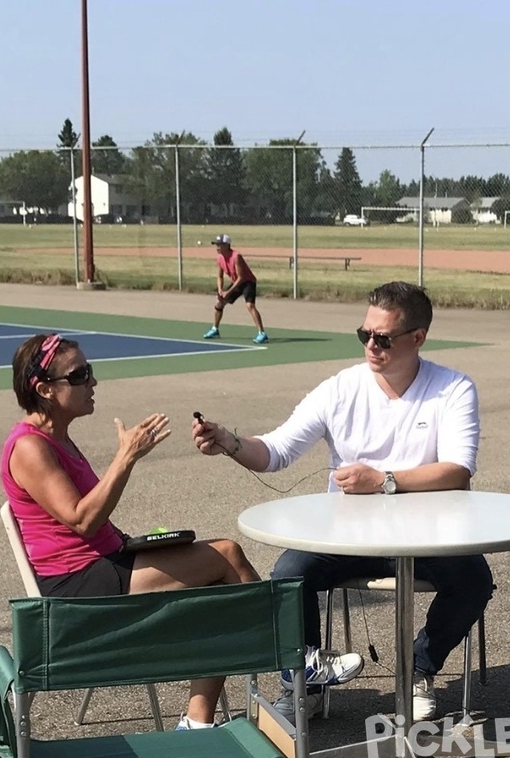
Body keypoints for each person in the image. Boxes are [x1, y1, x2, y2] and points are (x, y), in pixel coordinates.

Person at [192, 281, 491, 723]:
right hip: (346, 536)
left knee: (473, 579)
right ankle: (305, 683)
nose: (371, 345)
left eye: (383, 338)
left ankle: (418, 669)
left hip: (426, 535)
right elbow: (276, 451)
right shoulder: (340, 388)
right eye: (364, 334)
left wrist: (384, 479)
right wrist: (229, 441)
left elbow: (457, 470)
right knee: (290, 573)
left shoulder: (453, 389)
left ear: (418, 338)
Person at [1, 332, 269, 730]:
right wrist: (126, 457)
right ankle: (292, 662)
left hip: (105, 562)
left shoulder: (57, 439)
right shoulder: (29, 448)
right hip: (77, 587)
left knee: (219, 588)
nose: (93, 383)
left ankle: (198, 724)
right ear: (44, 389)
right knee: (227, 555)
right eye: (80, 375)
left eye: (89, 372)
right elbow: (81, 519)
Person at [203, 233, 267, 344]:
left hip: (247, 282)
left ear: (227, 245)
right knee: (219, 304)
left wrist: (228, 292)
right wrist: (220, 290)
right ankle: (215, 329)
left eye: (220, 245)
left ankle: (262, 333)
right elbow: (220, 276)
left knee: (250, 306)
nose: (217, 247)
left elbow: (241, 277)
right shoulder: (219, 258)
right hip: (236, 283)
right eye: (216, 245)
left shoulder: (236, 256)